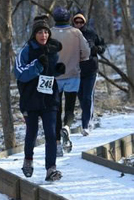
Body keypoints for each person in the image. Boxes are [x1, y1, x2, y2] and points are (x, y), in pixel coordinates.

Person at [14, 14, 65, 181]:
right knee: (32, 133)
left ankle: (51, 169)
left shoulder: (52, 50)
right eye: (40, 32)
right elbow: (20, 74)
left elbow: (48, 74)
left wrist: (57, 70)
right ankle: (28, 160)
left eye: (46, 32)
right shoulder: (26, 50)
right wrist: (37, 64)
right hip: (30, 99)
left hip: (49, 98)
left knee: (51, 133)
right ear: (34, 34)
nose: (43, 35)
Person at [50, 7, 90, 157]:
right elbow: (86, 52)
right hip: (73, 74)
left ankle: (58, 144)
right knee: (70, 107)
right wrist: (79, 59)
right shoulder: (76, 32)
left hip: (54, 77)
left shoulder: (49, 32)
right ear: (68, 18)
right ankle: (67, 126)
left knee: (56, 110)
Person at [72, 12, 106, 136]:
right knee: (81, 98)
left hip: (91, 69)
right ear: (73, 23)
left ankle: (86, 124)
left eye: (81, 22)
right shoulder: (71, 35)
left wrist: (98, 49)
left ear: (84, 22)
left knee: (87, 97)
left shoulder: (91, 34)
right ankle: (87, 118)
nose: (79, 24)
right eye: (76, 22)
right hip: (76, 71)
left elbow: (102, 45)